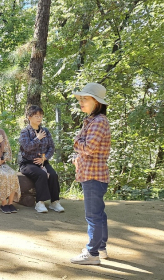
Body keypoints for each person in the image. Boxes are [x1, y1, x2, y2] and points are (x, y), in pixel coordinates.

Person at [69, 83, 111, 265]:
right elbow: (85, 148)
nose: (81, 102)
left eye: (85, 99)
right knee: (98, 214)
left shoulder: (99, 121)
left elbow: (88, 147)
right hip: (93, 174)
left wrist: (77, 142)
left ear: (97, 102)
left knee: (93, 216)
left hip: (94, 175)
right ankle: (100, 248)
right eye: (80, 99)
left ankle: (92, 253)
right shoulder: (93, 121)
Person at [18, 105, 64, 213]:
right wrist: (37, 139)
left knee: (53, 174)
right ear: (29, 117)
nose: (39, 118)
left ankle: (54, 202)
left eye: (41, 116)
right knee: (41, 174)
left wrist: (44, 158)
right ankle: (40, 202)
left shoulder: (46, 131)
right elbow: (27, 147)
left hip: (42, 161)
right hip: (27, 163)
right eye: (36, 116)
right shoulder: (25, 132)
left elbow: (51, 147)